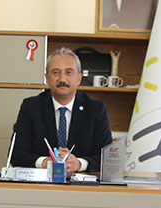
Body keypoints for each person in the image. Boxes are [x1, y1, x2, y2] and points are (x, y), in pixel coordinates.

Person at [10, 47, 113, 175]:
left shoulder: (96, 109)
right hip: (41, 182)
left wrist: (79, 164)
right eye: (55, 72)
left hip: (82, 183)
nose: (62, 79)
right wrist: (45, 162)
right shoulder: (31, 107)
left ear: (79, 78)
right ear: (47, 78)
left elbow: (107, 158)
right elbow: (16, 154)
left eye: (69, 72)